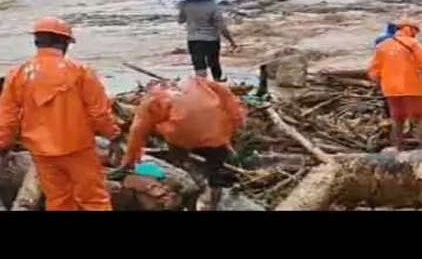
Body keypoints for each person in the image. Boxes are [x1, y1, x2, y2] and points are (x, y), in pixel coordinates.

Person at [0, 17, 122, 210]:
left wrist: (3, 144)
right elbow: (99, 112)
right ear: (64, 42)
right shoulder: (80, 72)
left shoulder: (18, 74)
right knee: (94, 199)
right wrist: (113, 134)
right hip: (78, 148)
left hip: (41, 152)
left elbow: (7, 117)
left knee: (58, 200)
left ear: (37, 41)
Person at [116, 76, 246, 210]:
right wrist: (237, 120)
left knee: (178, 150)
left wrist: (128, 162)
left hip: (182, 137)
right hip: (216, 133)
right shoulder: (199, 81)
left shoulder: (152, 99)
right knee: (215, 165)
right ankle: (214, 196)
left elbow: (138, 131)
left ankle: (187, 172)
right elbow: (226, 95)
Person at [367, 19, 422, 149]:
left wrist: (380, 83)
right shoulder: (413, 44)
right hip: (413, 87)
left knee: (397, 119)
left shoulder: (383, 46)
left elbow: (373, 70)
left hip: (391, 89)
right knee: (420, 118)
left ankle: (397, 147)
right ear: (412, 30)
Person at [178, 0, 237, 82]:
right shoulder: (213, 6)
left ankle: (202, 87)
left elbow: (180, 20)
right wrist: (231, 41)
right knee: (214, 62)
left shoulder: (187, 4)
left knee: (199, 64)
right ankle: (217, 82)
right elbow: (221, 26)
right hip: (211, 39)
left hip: (193, 39)